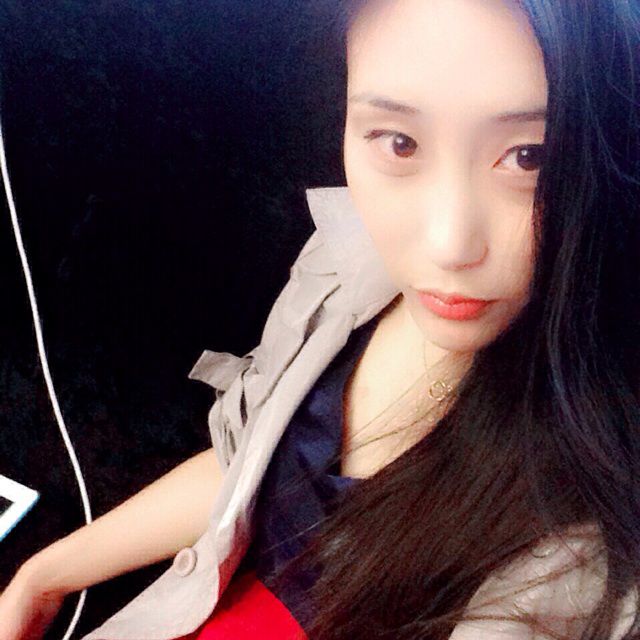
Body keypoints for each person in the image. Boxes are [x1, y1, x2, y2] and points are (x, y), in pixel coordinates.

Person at [2, 0, 640, 638]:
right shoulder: (347, 262)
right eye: (399, 142)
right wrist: (46, 574)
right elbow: (250, 462)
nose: (449, 245)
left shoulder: (589, 535)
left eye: (529, 157)